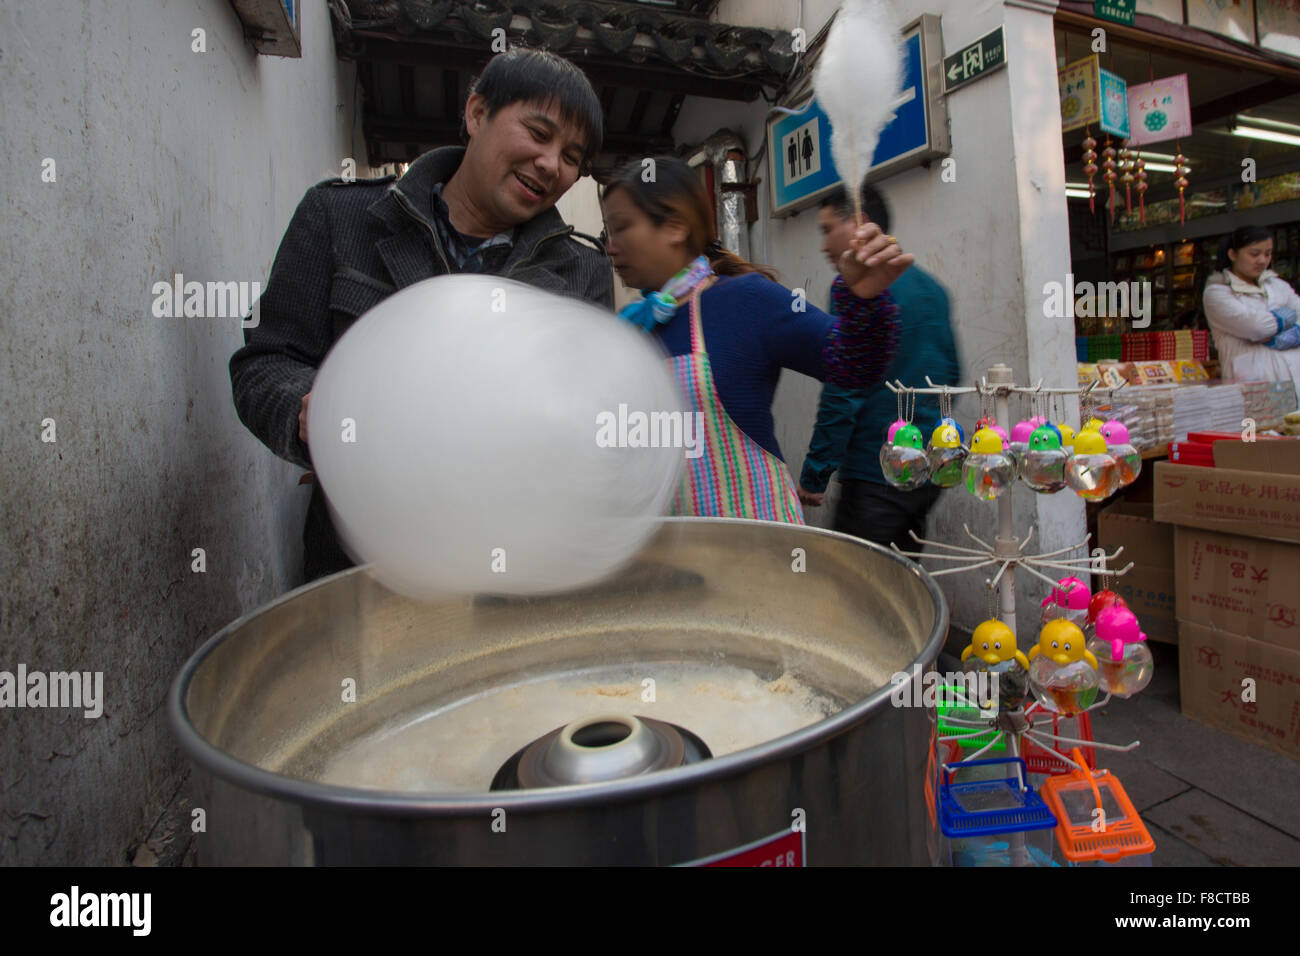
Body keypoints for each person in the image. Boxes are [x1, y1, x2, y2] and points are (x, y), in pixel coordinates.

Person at [230, 49, 611, 582]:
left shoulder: (582, 273)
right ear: (477, 114)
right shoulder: (342, 219)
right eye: (538, 133)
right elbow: (265, 363)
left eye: (572, 156)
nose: (551, 164)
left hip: (518, 576)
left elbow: (589, 421)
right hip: (360, 571)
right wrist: (307, 409)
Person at [599, 156, 907, 522]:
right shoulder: (632, 329)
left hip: (759, 554)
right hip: (670, 557)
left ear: (675, 227)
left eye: (621, 228)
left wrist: (864, 299)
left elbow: (856, 364)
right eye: (608, 233)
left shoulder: (745, 300)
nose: (611, 246)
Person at [796, 182, 960, 550]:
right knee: (903, 582)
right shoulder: (932, 290)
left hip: (876, 473)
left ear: (860, 223)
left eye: (827, 230)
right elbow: (952, 374)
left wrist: (816, 473)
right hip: (927, 469)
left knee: (859, 588)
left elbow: (843, 390)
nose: (823, 246)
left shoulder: (856, 294)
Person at [1202, 225, 1300, 396]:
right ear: (1233, 254)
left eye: (1268, 254)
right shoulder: (1217, 293)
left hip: (1293, 378)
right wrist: (1285, 319)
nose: (1262, 260)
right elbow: (1256, 327)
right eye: (1254, 254)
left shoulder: (1278, 285)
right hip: (1253, 385)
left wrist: (1293, 331)